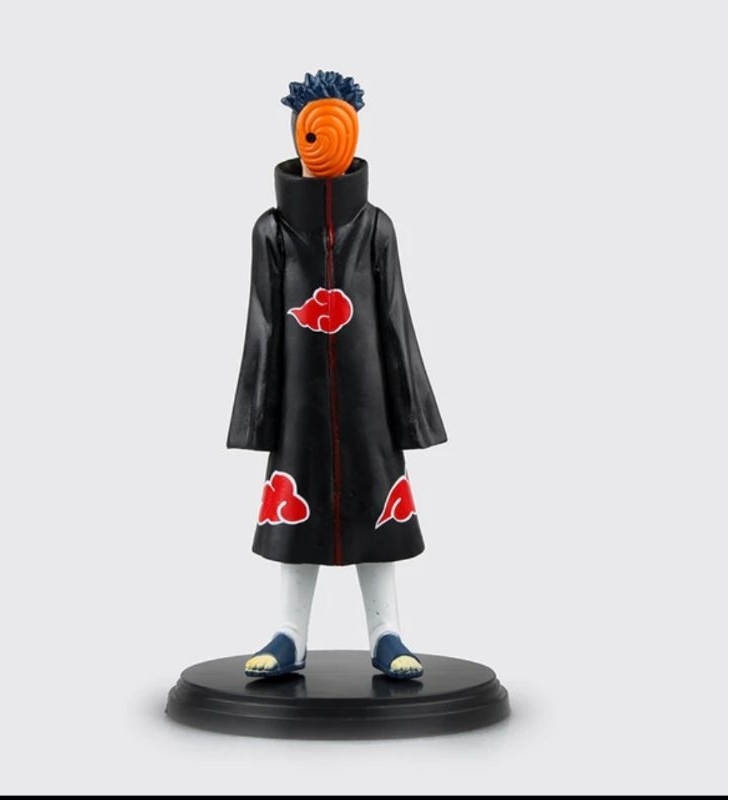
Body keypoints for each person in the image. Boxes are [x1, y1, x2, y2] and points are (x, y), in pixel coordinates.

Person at [228, 71, 447, 680]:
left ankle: (387, 632)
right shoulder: (271, 231)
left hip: (368, 401)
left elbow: (396, 319)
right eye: (311, 132)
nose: (320, 144)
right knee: (293, 518)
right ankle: (289, 635)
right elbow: (263, 324)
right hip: (298, 406)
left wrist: (411, 411)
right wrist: (257, 415)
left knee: (380, 513)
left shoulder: (376, 227)